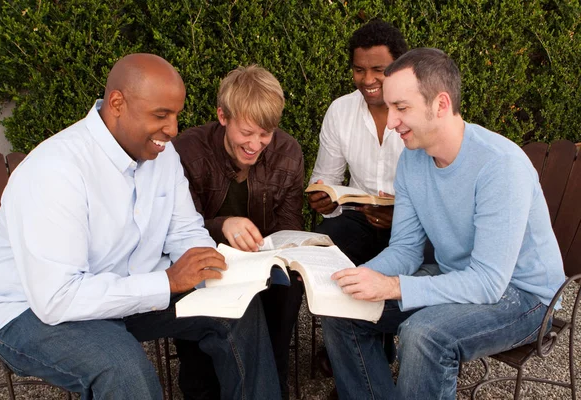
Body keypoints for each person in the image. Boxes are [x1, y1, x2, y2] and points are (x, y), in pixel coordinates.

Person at [0, 54, 280, 399]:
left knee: (237, 307)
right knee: (122, 366)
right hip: (31, 313)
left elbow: (184, 231)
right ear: (118, 103)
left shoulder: (162, 154)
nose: (172, 129)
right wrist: (168, 281)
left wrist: (208, 266)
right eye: (161, 115)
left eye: (176, 115)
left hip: (127, 291)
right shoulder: (55, 170)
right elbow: (57, 299)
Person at [321, 47, 566, 399]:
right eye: (389, 107)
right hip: (458, 276)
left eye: (401, 108)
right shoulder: (411, 160)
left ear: (441, 104)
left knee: (424, 334)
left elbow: (488, 283)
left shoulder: (500, 166)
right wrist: (358, 279)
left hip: (524, 295)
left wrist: (393, 287)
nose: (390, 121)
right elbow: (405, 249)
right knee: (343, 310)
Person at [173, 65, 304, 400]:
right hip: (204, 261)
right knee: (197, 287)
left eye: (266, 134)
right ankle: (201, 387)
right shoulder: (188, 152)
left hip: (262, 265)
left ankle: (274, 382)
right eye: (247, 132)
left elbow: (289, 228)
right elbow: (172, 229)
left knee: (288, 289)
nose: (256, 144)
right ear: (222, 116)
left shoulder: (288, 153)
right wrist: (222, 225)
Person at [307, 20, 408, 267]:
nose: (367, 80)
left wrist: (401, 216)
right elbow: (325, 178)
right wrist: (323, 199)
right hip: (360, 220)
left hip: (413, 225)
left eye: (378, 69)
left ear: (399, 68)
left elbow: (440, 195)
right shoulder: (341, 110)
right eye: (359, 69)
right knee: (315, 254)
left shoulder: (420, 111)